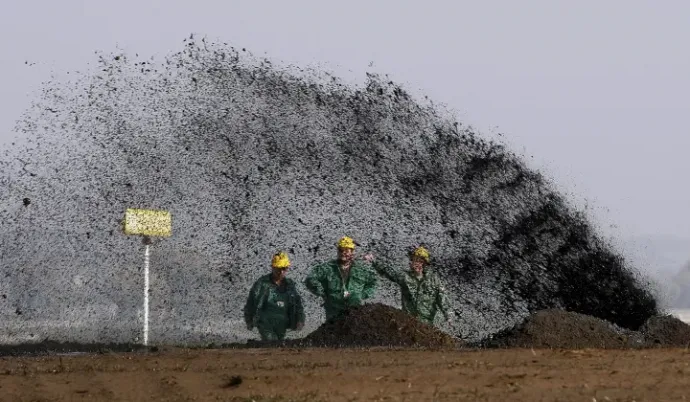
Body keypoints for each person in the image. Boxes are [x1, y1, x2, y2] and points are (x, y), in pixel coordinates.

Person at [364, 246, 452, 326]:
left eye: (420, 261)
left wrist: (448, 314)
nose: (417, 263)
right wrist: (373, 261)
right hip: (408, 321)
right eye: (415, 260)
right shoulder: (405, 277)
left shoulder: (434, 280)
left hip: (427, 322)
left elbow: (442, 297)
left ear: (425, 263)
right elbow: (388, 270)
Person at [305, 236, 377, 321]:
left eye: (346, 250)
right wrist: (322, 292)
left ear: (352, 252)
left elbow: (373, 283)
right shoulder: (328, 268)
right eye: (340, 250)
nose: (343, 253)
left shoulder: (361, 269)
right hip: (334, 312)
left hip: (355, 312)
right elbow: (310, 278)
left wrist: (362, 295)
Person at [243, 251, 305, 341]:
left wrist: (300, 320)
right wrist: (249, 320)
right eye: (278, 269)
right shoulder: (262, 284)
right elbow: (251, 302)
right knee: (271, 342)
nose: (281, 272)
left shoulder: (290, 285)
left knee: (279, 345)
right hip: (266, 322)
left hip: (283, 322)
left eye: (284, 269)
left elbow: (298, 304)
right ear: (273, 267)